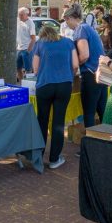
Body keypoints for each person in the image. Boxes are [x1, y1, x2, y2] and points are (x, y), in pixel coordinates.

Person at [31, 24, 78, 170]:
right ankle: (54, 159)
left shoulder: (40, 44)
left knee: (42, 121)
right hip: (64, 85)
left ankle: (38, 156)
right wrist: (69, 74)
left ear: (43, 34)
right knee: (58, 122)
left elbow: (35, 68)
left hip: (44, 85)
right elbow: (75, 64)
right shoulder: (68, 42)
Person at [64, 4, 106, 128]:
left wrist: (74, 67)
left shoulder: (80, 29)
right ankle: (104, 140)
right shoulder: (88, 28)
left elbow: (84, 55)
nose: (67, 25)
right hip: (100, 72)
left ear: (70, 18)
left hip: (91, 74)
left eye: (66, 21)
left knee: (89, 112)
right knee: (102, 110)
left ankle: (90, 142)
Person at [16, 7, 36, 81]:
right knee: (18, 68)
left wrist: (28, 50)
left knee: (28, 70)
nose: (19, 16)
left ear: (26, 15)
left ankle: (29, 85)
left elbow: (33, 38)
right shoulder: (18, 21)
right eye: (19, 15)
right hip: (19, 49)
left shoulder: (30, 23)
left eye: (21, 15)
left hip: (26, 49)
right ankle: (21, 83)